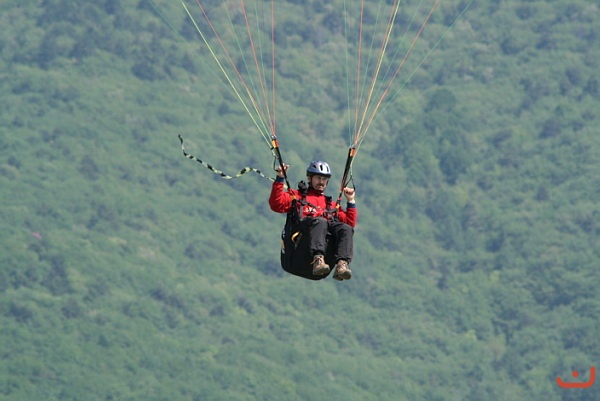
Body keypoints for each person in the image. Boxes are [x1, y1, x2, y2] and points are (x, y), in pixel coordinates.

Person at [269, 160, 357, 281]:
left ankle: (342, 264)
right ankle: (317, 259)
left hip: (320, 269)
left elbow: (349, 225)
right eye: (318, 178)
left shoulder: (330, 205)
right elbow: (276, 204)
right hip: (297, 254)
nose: (321, 182)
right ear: (310, 178)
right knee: (320, 222)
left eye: (324, 179)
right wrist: (280, 177)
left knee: (345, 228)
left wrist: (351, 201)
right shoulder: (297, 196)